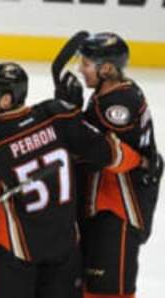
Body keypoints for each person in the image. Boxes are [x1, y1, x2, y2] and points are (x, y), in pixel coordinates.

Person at [0, 62, 143, 298]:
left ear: (5, 100)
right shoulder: (56, 115)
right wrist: (139, 161)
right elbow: (107, 152)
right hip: (64, 248)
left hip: (15, 252)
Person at [57, 32, 163, 298]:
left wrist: (70, 116)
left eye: (86, 63)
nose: (81, 69)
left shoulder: (119, 103)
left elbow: (105, 153)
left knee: (108, 292)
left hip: (118, 209)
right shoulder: (110, 94)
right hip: (104, 206)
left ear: (106, 69)